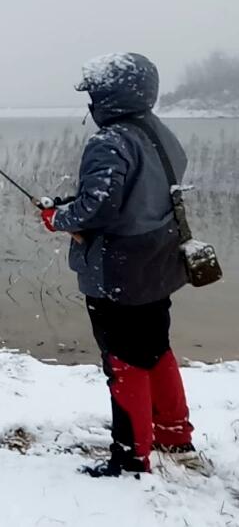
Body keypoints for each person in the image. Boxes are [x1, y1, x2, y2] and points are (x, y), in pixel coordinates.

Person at [39, 52, 199, 478]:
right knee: (155, 349)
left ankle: (130, 459)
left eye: (94, 93)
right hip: (158, 264)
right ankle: (174, 435)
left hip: (118, 272)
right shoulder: (159, 131)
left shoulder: (109, 141)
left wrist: (59, 218)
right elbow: (137, 197)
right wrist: (77, 211)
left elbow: (100, 208)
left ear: (109, 96)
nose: (91, 102)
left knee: (123, 361)